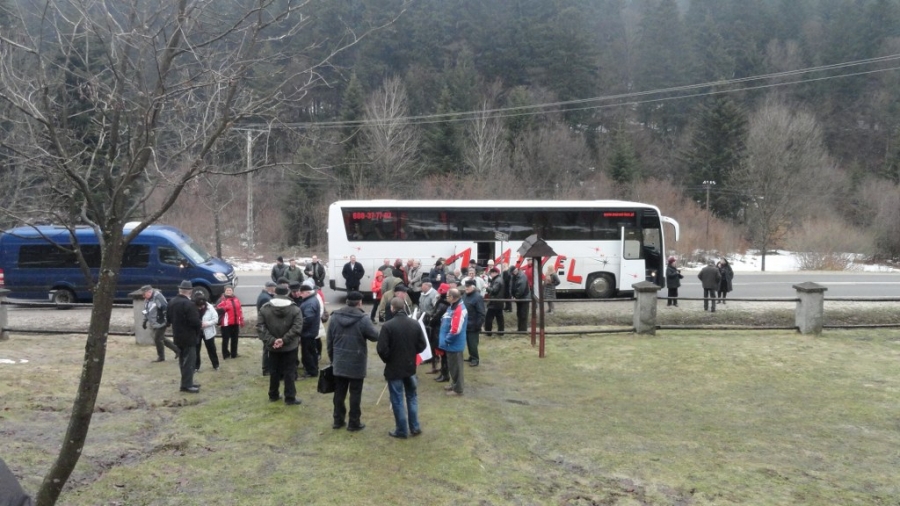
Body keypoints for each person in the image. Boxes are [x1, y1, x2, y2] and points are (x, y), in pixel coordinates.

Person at [327, 291, 379, 431]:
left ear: (347, 301)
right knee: (355, 393)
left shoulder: (335, 317)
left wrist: (333, 359)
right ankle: (354, 423)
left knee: (339, 392)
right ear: (360, 303)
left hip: (339, 360)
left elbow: (329, 341)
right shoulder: (363, 319)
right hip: (357, 361)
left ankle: (338, 420)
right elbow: (375, 336)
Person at [377, 297, 427, 438]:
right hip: (410, 367)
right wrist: (411, 353)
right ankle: (414, 427)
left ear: (392, 308)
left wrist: (389, 359)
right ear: (404, 308)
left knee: (397, 399)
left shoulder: (388, 326)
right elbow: (422, 345)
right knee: (412, 397)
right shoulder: (414, 324)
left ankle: (401, 430)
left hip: (394, 368)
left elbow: (381, 349)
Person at [257, 285, 304, 406]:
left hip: (273, 347)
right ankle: (290, 397)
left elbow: (261, 328)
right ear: (287, 293)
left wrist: (273, 340)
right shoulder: (295, 309)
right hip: (290, 346)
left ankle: (273, 394)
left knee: (274, 371)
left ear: (275, 292)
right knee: (289, 371)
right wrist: (284, 340)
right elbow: (297, 327)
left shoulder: (265, 309)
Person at [167, 280, 202, 393]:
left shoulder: (172, 302)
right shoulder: (189, 304)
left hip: (177, 335)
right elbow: (195, 322)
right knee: (189, 362)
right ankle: (187, 385)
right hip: (189, 336)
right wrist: (198, 329)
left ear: (180, 290)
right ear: (190, 291)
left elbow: (168, 319)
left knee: (182, 361)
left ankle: (187, 382)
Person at [438, 288, 468, 396]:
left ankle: (458, 389)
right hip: (450, 344)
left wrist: (447, 340)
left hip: (454, 344)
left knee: (456, 367)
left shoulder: (459, 309)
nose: (446, 297)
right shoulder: (452, 306)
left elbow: (455, 329)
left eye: (447, 296)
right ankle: (454, 384)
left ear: (452, 297)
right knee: (452, 365)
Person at [141, 284, 178, 362]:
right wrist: (145, 320)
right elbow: (146, 311)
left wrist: (167, 320)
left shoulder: (158, 297)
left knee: (157, 339)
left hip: (161, 322)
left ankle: (161, 357)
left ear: (149, 292)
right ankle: (177, 350)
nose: (143, 296)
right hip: (154, 322)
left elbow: (165, 308)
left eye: (144, 294)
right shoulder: (147, 300)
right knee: (161, 338)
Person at [298, 284, 321, 378]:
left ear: (307, 292)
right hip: (310, 332)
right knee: (311, 352)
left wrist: (299, 327)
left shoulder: (309, 303)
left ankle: (311, 371)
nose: (300, 295)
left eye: (302, 293)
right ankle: (313, 368)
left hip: (307, 333)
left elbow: (308, 319)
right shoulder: (311, 300)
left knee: (307, 353)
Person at [430, 283, 452, 381]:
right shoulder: (446, 304)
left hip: (439, 330)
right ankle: (443, 373)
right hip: (441, 329)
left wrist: (430, 321)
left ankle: (445, 374)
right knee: (443, 354)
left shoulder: (442, 305)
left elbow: (435, 317)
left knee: (443, 354)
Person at [194, 292, 220, 372]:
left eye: (202, 305)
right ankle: (196, 366)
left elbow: (215, 319)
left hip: (208, 332)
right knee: (196, 350)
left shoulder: (210, 308)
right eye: (199, 306)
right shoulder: (192, 307)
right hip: (197, 332)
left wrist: (207, 323)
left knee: (211, 349)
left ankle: (216, 365)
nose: (201, 307)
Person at [216, 286, 244, 359]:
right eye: (227, 290)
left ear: (232, 291)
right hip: (226, 323)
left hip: (235, 322)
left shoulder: (236, 299)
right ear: (224, 291)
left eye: (230, 290)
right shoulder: (221, 300)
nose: (229, 292)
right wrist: (225, 308)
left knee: (235, 339)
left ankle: (234, 354)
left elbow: (240, 310)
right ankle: (225, 354)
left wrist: (241, 320)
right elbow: (217, 310)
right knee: (225, 340)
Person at [462, 278, 485, 367]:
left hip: (474, 324)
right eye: (465, 286)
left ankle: (475, 359)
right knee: (468, 342)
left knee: (473, 343)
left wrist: (478, 325)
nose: (466, 288)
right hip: (465, 323)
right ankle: (471, 356)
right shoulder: (465, 295)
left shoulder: (478, 297)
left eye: (468, 287)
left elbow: (481, 313)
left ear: (473, 287)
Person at [257, 281, 277, 375]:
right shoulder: (266, 298)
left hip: (264, 326)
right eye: (274, 288)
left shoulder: (265, 296)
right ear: (270, 288)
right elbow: (267, 314)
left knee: (267, 348)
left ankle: (267, 368)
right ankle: (266, 369)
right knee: (267, 349)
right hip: (266, 327)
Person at [484, 268, 505, 337]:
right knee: (499, 318)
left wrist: (487, 287)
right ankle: (501, 332)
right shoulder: (499, 279)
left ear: (495, 273)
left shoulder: (497, 281)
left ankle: (488, 332)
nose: (490, 274)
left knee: (489, 318)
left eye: (491, 273)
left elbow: (494, 290)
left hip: (494, 302)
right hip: (499, 302)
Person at [510, 265, 530, 332]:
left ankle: (523, 330)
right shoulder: (516, 276)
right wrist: (513, 295)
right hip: (520, 298)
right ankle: (520, 329)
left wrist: (516, 296)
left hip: (524, 298)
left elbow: (521, 289)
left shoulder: (522, 276)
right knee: (519, 314)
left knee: (523, 314)